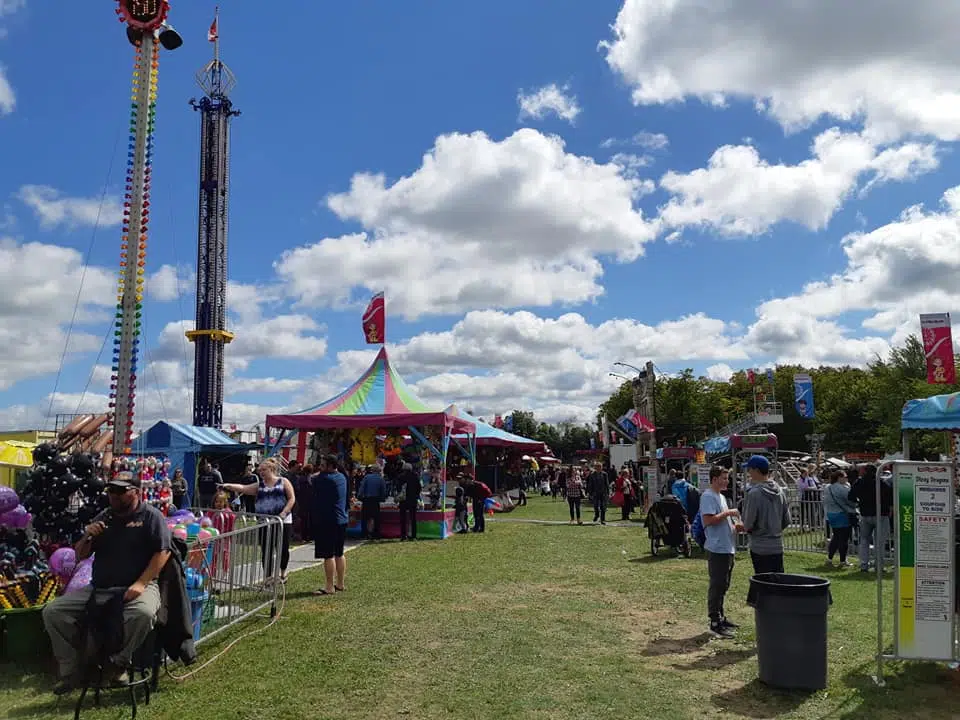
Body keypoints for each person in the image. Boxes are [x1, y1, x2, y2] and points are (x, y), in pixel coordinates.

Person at [42, 472, 171, 694]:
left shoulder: (150, 516)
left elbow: (163, 552)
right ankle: (74, 670)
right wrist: (87, 537)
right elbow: (80, 556)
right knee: (53, 611)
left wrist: (141, 583)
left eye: (121, 491)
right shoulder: (104, 516)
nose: (114, 495)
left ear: (136, 492)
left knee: (143, 614)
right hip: (99, 587)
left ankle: (117, 664)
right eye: (111, 490)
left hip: (138, 586)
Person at [221, 460, 296, 582]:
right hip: (264, 521)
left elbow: (292, 498)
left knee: (283, 548)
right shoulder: (259, 485)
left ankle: (283, 573)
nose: (261, 472)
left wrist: (284, 512)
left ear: (271, 469)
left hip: (282, 521)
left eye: (264, 470)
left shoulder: (283, 481)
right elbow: (244, 488)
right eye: (260, 470)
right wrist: (228, 485)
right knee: (267, 549)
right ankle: (268, 577)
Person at [700, 465, 742, 639]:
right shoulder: (708, 496)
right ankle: (714, 621)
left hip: (727, 547)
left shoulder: (722, 497)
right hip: (717, 548)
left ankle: (721, 616)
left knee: (724, 584)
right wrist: (728, 513)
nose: (727, 481)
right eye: (724, 478)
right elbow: (709, 520)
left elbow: (725, 521)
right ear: (714, 479)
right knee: (717, 585)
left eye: (727, 478)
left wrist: (736, 526)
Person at [740, 455, 790, 574]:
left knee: (763, 585)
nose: (748, 472)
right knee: (777, 583)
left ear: (756, 470)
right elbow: (786, 519)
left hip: (759, 546)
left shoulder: (754, 493)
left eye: (750, 469)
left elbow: (748, 523)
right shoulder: (780, 491)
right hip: (777, 545)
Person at [312, 455, 348, 595]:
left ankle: (329, 586)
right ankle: (340, 583)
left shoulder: (324, 479)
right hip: (341, 520)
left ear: (330, 466)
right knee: (339, 553)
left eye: (322, 465)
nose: (320, 467)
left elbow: (312, 480)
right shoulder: (342, 477)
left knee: (328, 555)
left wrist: (318, 473)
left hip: (327, 521)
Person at [848, 464, 892, 573]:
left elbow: (851, 497)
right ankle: (879, 566)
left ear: (865, 471)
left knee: (864, 541)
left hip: (865, 514)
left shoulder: (859, 482)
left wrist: (860, 502)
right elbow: (890, 498)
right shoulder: (882, 483)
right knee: (879, 542)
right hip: (881, 514)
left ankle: (864, 565)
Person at [822, 469, 857, 567]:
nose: (847, 478)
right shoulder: (843, 489)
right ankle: (842, 561)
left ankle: (829, 559)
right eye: (845, 477)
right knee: (844, 539)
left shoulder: (827, 487)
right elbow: (851, 502)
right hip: (842, 514)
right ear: (839, 478)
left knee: (836, 537)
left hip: (831, 515)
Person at [358, 464, 387, 539]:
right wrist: (382, 498)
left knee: (364, 518)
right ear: (379, 471)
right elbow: (383, 490)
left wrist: (360, 496)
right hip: (375, 500)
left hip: (367, 499)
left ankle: (364, 534)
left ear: (372, 470)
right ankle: (376, 534)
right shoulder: (381, 479)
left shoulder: (367, 477)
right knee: (376, 518)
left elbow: (362, 488)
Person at [397, 462, 421, 541]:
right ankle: (413, 536)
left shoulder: (400, 477)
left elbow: (398, 488)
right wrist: (416, 496)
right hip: (412, 499)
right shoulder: (415, 476)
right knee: (413, 518)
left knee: (403, 518)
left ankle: (403, 536)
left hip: (403, 500)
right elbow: (419, 488)